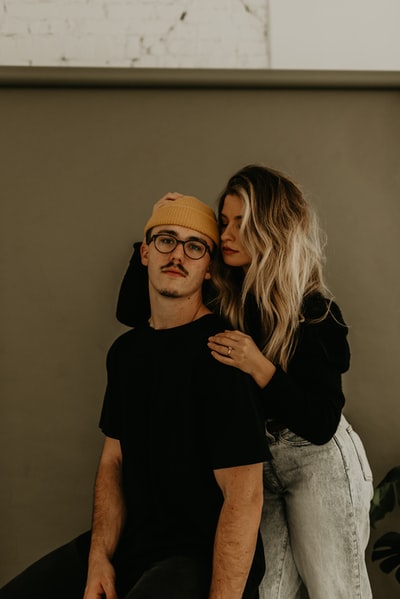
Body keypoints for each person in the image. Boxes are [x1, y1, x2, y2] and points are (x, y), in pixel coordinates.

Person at [115, 165, 374, 599]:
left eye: (242, 223)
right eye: (224, 222)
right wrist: (156, 225)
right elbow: (131, 312)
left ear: (271, 229)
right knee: (265, 590)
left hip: (318, 462)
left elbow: (321, 422)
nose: (227, 234)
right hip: (255, 463)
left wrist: (260, 367)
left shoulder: (313, 310)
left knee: (336, 590)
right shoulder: (222, 290)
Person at [0, 195, 270, 599]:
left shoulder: (222, 354)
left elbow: (245, 496)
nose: (178, 254)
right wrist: (98, 558)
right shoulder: (126, 354)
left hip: (195, 556)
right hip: (133, 544)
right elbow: (114, 460)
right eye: (166, 240)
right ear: (145, 253)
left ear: (210, 268)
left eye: (195, 246)